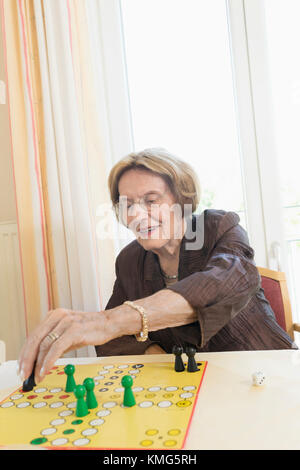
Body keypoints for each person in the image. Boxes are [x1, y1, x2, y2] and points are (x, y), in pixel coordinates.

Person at [18, 148, 297, 384]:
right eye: (126, 204)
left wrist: (107, 322)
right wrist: (157, 357)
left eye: (151, 201)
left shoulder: (219, 228)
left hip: (265, 374)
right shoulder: (130, 260)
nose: (136, 215)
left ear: (182, 200)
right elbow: (112, 340)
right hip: (187, 388)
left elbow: (222, 284)